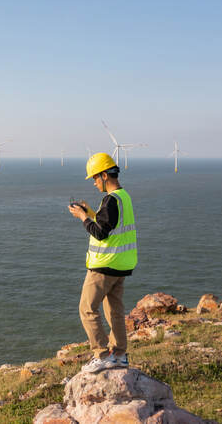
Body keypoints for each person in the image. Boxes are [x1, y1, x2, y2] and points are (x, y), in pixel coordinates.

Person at [68, 152, 138, 373]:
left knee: (87, 308)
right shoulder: (122, 197)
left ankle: (101, 354)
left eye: (96, 178)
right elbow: (111, 223)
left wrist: (83, 217)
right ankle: (119, 355)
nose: (95, 183)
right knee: (114, 311)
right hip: (121, 265)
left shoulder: (110, 201)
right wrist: (90, 212)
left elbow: (100, 232)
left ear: (105, 175)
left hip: (104, 266)